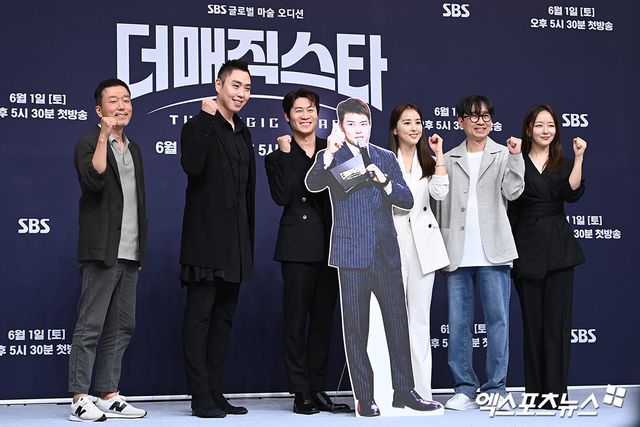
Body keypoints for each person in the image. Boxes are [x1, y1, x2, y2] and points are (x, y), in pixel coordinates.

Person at [305, 97, 440, 417]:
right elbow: (313, 183)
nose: (358, 130)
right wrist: (328, 155)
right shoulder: (331, 156)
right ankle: (365, 397)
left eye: (363, 124)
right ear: (340, 127)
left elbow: (407, 199)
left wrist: (386, 181)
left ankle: (404, 391)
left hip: (386, 252)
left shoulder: (385, 156)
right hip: (352, 254)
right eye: (351, 124)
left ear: (371, 125)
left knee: (398, 324)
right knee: (356, 329)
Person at [435, 94, 525, 411]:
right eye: (473, 116)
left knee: (498, 321)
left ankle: (496, 388)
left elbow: (513, 191)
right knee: (458, 323)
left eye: (486, 116)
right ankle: (464, 388)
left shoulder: (503, 153)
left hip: (494, 251)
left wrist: (516, 157)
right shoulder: (448, 157)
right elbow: (438, 203)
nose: (481, 121)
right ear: (460, 121)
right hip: (457, 252)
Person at [265, 88, 351, 415]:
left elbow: (347, 192)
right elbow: (283, 196)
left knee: (322, 323)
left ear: (318, 114)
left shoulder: (334, 149)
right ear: (287, 117)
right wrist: (286, 154)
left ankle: (318, 389)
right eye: (298, 110)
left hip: (331, 244)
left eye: (310, 109)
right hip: (297, 246)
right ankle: (300, 392)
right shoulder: (277, 156)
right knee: (295, 322)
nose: (305, 115)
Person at [69, 78, 148, 422]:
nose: (122, 106)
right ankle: (79, 399)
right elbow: (94, 179)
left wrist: (141, 249)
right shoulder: (88, 142)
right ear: (99, 109)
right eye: (113, 100)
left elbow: (138, 202)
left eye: (126, 99)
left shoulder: (135, 148)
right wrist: (104, 135)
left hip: (130, 251)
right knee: (91, 325)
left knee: (122, 326)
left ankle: (108, 394)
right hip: (101, 249)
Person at [179, 58, 254, 418]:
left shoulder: (243, 132)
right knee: (200, 320)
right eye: (235, 85)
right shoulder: (198, 125)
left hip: (235, 243)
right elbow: (192, 165)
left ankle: (215, 391)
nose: (241, 93)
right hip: (205, 241)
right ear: (218, 86)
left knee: (223, 321)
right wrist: (207, 120)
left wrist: (247, 244)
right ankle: (199, 397)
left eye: (247, 88)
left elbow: (248, 191)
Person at [509, 104, 586, 408]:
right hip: (525, 249)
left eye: (551, 125)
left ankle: (556, 394)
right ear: (529, 129)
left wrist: (579, 157)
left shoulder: (563, 162)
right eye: (539, 125)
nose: (545, 130)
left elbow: (572, 193)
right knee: (533, 326)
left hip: (559, 250)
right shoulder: (516, 160)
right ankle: (535, 394)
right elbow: (510, 201)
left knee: (558, 325)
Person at [388, 103, 450, 402]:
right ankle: (393, 391)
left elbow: (439, 193)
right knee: (393, 319)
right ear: (394, 129)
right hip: (391, 244)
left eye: (418, 122)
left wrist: (439, 155)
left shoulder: (430, 161)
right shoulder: (384, 161)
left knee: (420, 320)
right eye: (407, 122)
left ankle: (422, 390)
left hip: (424, 246)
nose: (414, 128)